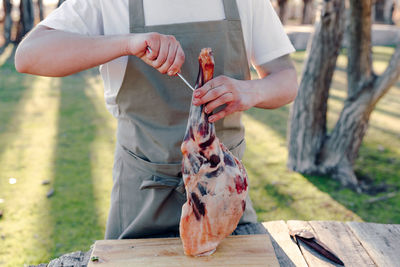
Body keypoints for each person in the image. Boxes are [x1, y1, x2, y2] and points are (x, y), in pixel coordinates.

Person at [15, 0, 298, 239]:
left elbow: (286, 78)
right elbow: (29, 55)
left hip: (226, 199)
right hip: (141, 199)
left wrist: (251, 90)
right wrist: (128, 43)